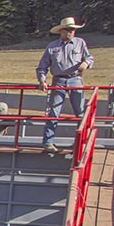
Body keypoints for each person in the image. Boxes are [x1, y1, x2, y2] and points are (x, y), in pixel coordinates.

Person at [36, 16, 94, 152]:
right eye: (69, 30)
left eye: (73, 30)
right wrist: (42, 80)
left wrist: (86, 63)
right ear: (61, 31)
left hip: (76, 80)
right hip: (58, 81)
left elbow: (89, 57)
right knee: (53, 112)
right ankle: (48, 142)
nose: (71, 32)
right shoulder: (52, 47)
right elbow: (42, 66)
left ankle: (81, 142)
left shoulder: (80, 43)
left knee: (80, 113)